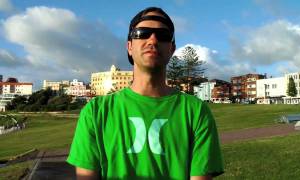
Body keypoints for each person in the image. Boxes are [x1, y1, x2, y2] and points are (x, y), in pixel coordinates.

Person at [67, 6, 224, 180]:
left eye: (162, 35)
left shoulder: (195, 111)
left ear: (172, 48)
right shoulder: (95, 112)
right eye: (142, 33)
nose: (153, 40)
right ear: (129, 46)